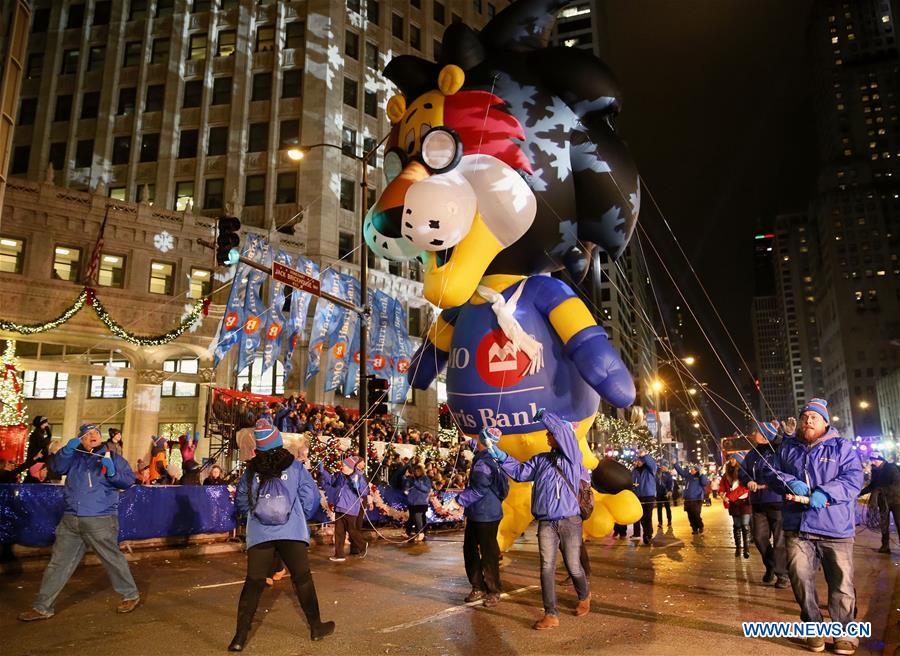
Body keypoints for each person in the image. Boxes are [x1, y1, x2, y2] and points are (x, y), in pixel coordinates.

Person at [760, 399, 863, 656]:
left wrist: (826, 493)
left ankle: (845, 634)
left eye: (814, 417)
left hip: (835, 528)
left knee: (841, 583)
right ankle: (813, 627)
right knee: (801, 580)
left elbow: (853, 478)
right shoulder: (787, 448)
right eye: (805, 417)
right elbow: (771, 472)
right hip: (798, 527)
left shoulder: (841, 447)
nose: (808, 421)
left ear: (825, 422)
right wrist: (790, 482)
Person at [231, 419, 334, 651]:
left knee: (254, 582)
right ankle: (316, 627)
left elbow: (241, 501)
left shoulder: (251, 470)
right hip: (291, 531)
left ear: (260, 446)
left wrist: (254, 517)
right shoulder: (295, 466)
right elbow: (311, 497)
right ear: (278, 443)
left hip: (260, 533)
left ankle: (239, 637)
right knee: (302, 578)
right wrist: (300, 515)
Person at [18, 424, 139, 621]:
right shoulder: (74, 457)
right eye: (87, 434)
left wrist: (111, 473)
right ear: (80, 439)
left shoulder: (114, 458)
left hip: (100, 519)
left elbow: (127, 481)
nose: (93, 436)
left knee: (111, 559)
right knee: (58, 563)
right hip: (71, 519)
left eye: (96, 433)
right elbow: (55, 468)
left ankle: (130, 595)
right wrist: (66, 451)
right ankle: (42, 607)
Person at [485, 410, 590, 631]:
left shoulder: (572, 457)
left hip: (570, 521)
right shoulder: (541, 459)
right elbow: (520, 472)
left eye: (549, 434)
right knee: (546, 567)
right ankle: (551, 614)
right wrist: (496, 452)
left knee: (573, 566)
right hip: (546, 523)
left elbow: (563, 431)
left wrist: (545, 415)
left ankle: (584, 593)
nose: (547, 437)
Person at [450, 430, 508, 607]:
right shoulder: (491, 456)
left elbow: (478, 490)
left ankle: (491, 590)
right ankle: (480, 587)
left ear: (483, 441)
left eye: (478, 438)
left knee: (485, 553)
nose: (475, 439)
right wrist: (468, 441)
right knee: (473, 550)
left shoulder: (484, 464)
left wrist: (457, 501)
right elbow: (479, 445)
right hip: (484, 512)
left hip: (484, 513)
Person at [740, 420, 789, 587]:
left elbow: (787, 463)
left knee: (780, 540)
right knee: (760, 537)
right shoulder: (752, 454)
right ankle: (771, 566)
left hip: (777, 501)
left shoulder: (777, 450)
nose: (754, 435)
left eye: (758, 432)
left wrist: (786, 435)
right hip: (758, 502)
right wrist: (748, 482)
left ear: (766, 434)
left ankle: (782, 574)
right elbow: (743, 472)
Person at [318, 456, 369, 562]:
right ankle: (339, 554)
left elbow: (364, 491)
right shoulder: (340, 475)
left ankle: (363, 545)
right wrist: (323, 471)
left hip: (350, 508)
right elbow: (331, 480)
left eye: (345, 465)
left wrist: (357, 486)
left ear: (350, 467)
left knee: (351, 530)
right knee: (339, 532)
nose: (342, 467)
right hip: (339, 507)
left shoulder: (358, 476)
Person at [860, 453, 900, 555]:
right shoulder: (875, 470)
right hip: (883, 502)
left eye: (875, 460)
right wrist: (858, 493)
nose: (873, 462)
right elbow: (873, 486)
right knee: (884, 525)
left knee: (899, 524)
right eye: (872, 460)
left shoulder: (891, 468)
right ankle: (885, 546)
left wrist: (880, 490)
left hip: (896, 501)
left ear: (881, 459)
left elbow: (896, 484)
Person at [719, 455, 751, 558]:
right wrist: (721, 493)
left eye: (734, 459)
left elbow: (744, 488)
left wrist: (730, 496)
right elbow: (722, 486)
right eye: (731, 459)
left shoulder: (745, 473)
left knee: (745, 525)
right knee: (737, 526)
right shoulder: (727, 474)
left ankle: (746, 549)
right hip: (734, 504)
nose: (732, 461)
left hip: (745, 502)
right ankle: (738, 548)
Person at [673, 461, 709, 534]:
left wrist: (702, 474)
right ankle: (694, 528)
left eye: (693, 469)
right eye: (691, 469)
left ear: (697, 470)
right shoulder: (688, 476)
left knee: (696, 514)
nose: (691, 470)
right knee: (690, 515)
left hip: (697, 499)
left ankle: (700, 526)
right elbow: (681, 472)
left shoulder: (700, 477)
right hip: (688, 499)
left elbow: (705, 483)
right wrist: (675, 464)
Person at [631, 451, 657, 546]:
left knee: (647, 516)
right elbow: (632, 482)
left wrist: (645, 456)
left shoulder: (650, 469)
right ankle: (647, 534)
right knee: (641, 517)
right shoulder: (634, 471)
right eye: (637, 461)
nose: (637, 462)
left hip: (649, 495)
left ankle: (647, 535)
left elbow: (652, 463)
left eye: (639, 461)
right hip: (638, 496)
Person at [403, 463, 433, 541]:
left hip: (421, 502)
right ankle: (412, 532)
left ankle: (420, 533)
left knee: (418, 517)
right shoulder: (411, 479)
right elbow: (406, 487)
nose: (416, 472)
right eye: (415, 471)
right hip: (412, 502)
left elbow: (426, 489)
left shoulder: (425, 479)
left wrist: (416, 484)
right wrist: (407, 486)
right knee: (413, 518)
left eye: (418, 471)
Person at [656, 464, 674, 529]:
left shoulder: (668, 474)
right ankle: (660, 522)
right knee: (659, 508)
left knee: (667, 508)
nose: (663, 468)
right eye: (662, 466)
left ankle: (669, 521)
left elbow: (671, 483)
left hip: (666, 493)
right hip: (658, 493)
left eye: (664, 467)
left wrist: (670, 491)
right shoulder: (657, 473)